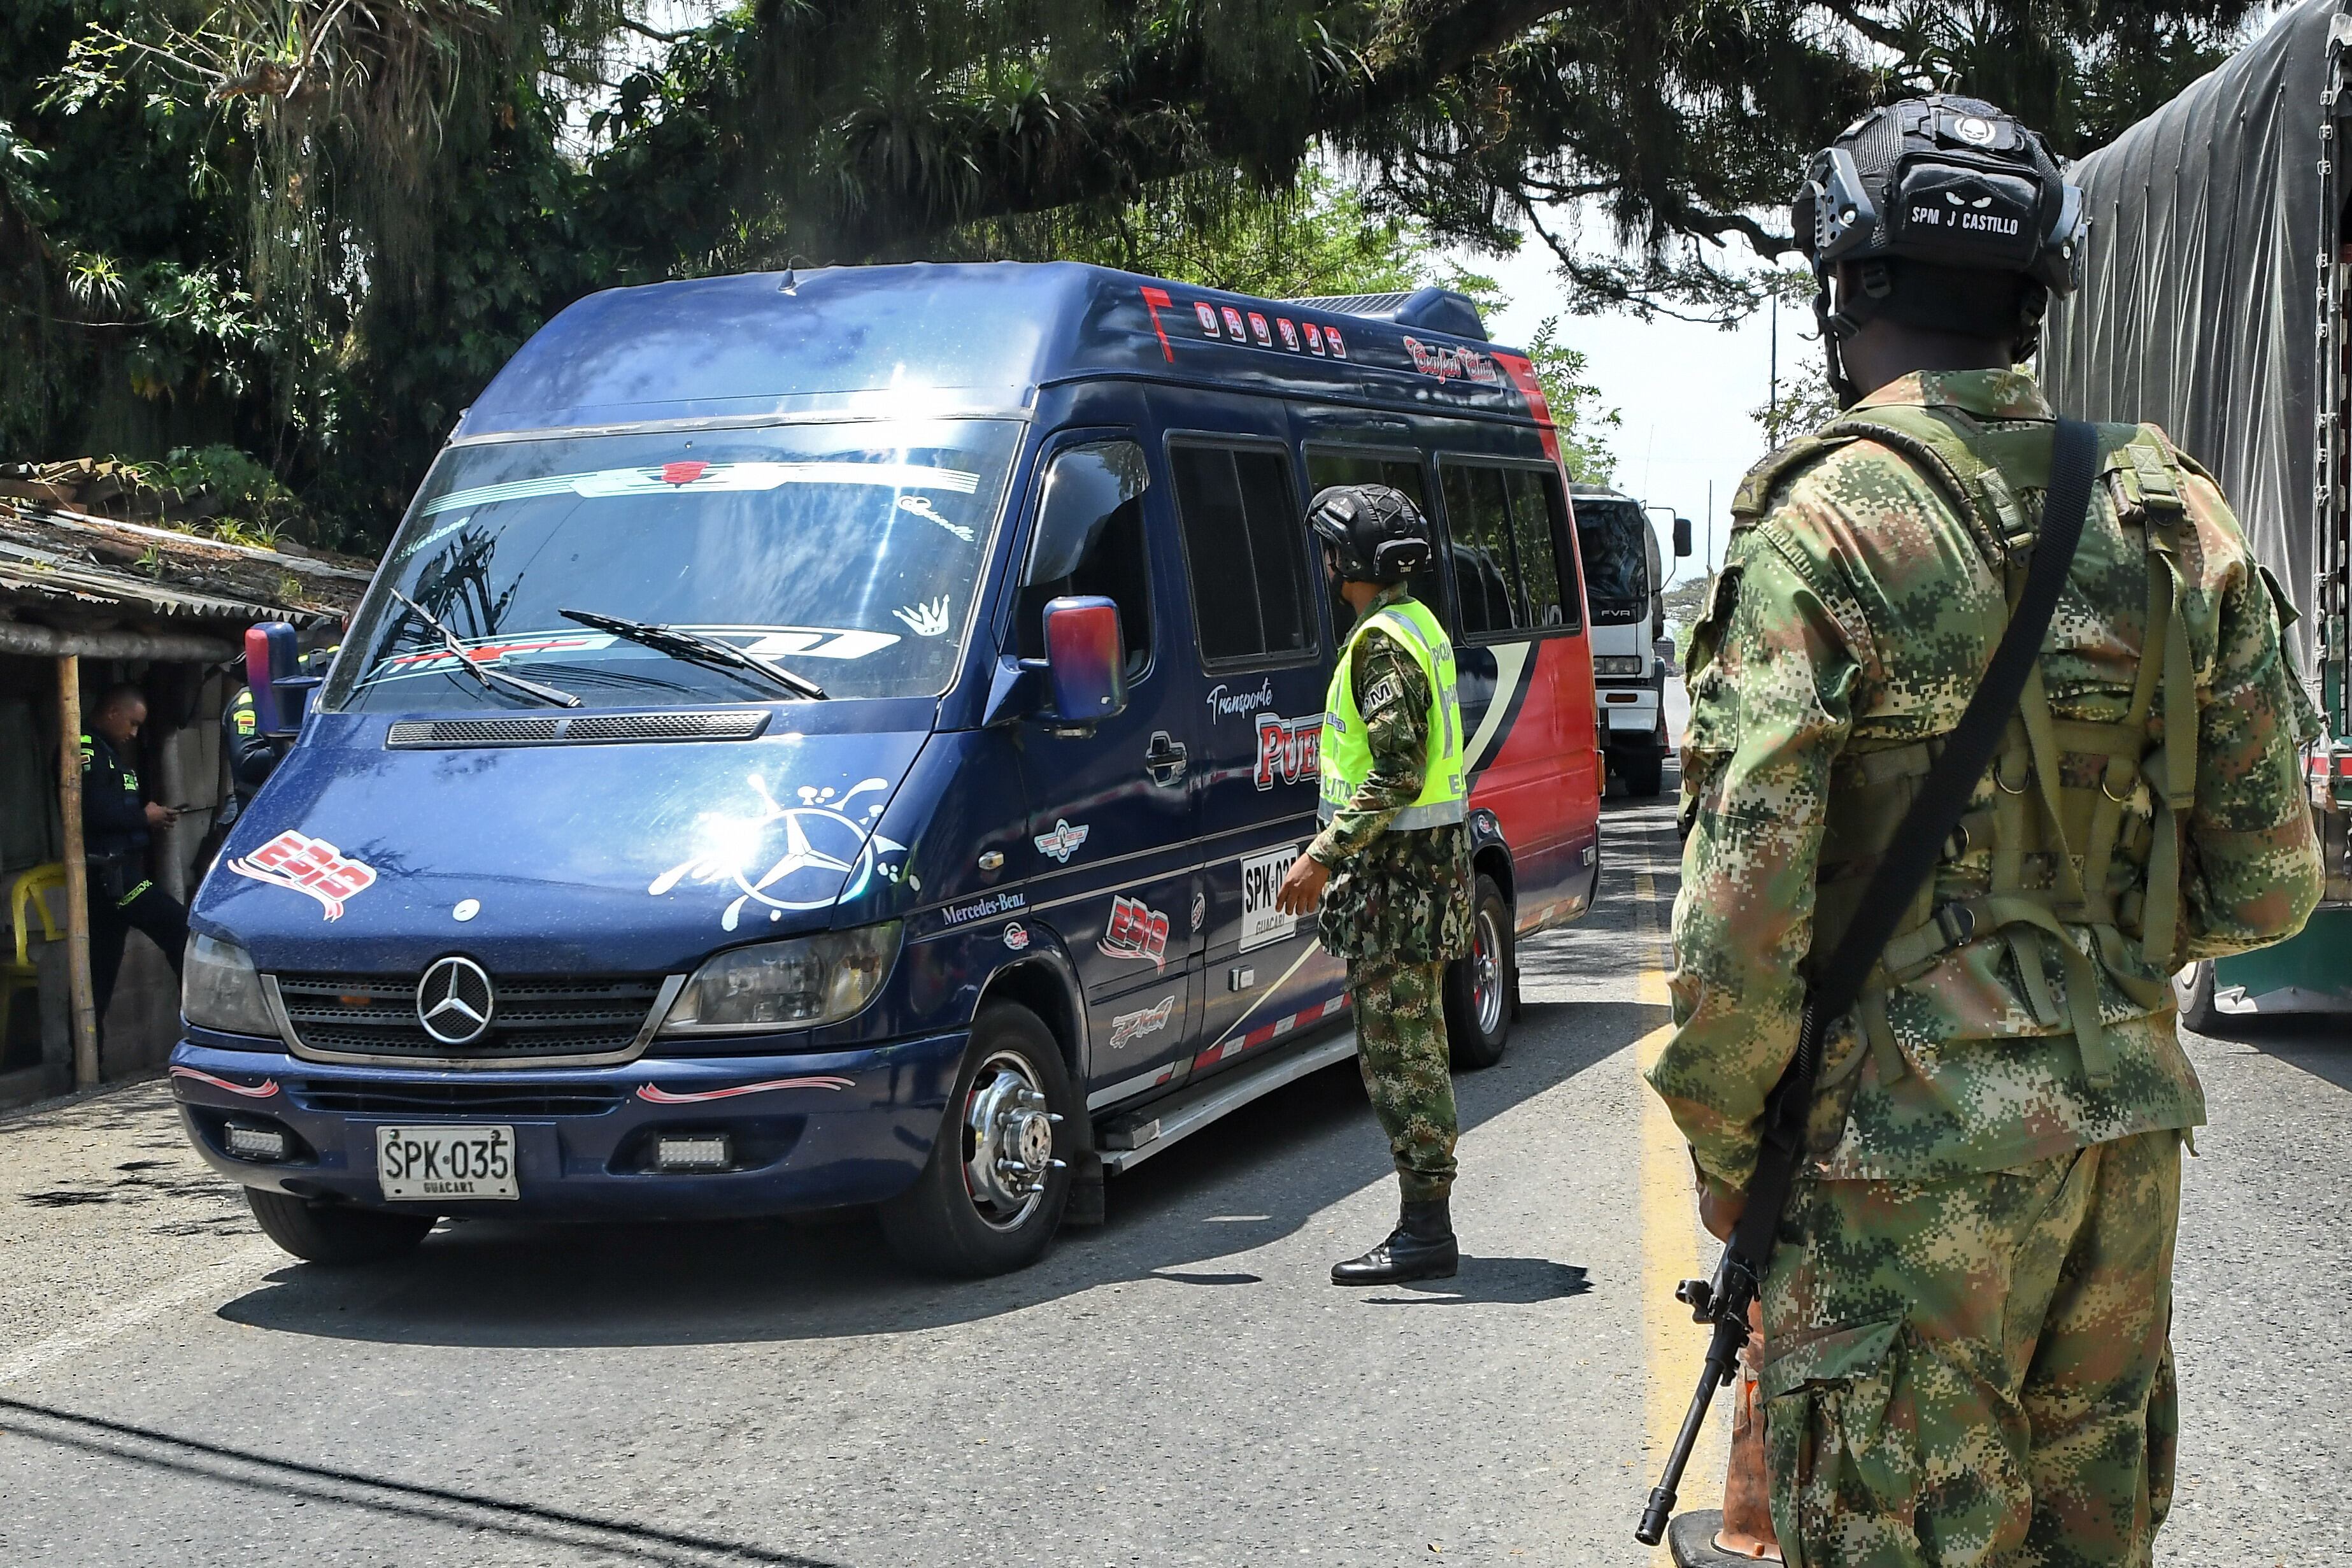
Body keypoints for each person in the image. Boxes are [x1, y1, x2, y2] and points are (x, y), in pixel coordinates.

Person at [1648, 94, 2324, 1565]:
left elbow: (1740, 914)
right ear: (2037, 293)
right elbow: (2273, 880)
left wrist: (1720, 1135)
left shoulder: (1818, 523)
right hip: (2117, 1146)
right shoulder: (2170, 512)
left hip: (1890, 1159)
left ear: (1843, 285)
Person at [1276, 484, 1472, 1285]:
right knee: (1410, 1049)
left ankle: (1426, 1232)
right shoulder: (1415, 625)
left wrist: (1321, 852)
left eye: (1332, 550)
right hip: (1416, 883)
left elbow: (1398, 769)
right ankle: (1424, 1222)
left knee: (1403, 1059)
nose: (1326, 564)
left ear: (1351, 561)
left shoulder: (1381, 644)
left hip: (1398, 888)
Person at [81, 684, 189, 1020]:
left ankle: (87, 1065)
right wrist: (145, 816)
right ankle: (200, 1019)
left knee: (100, 973)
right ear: (112, 712)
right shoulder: (85, 750)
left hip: (123, 870)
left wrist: (148, 818)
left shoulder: (109, 753)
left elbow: (114, 808)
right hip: (113, 876)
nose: (133, 732)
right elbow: (93, 812)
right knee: (180, 929)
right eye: (132, 723)